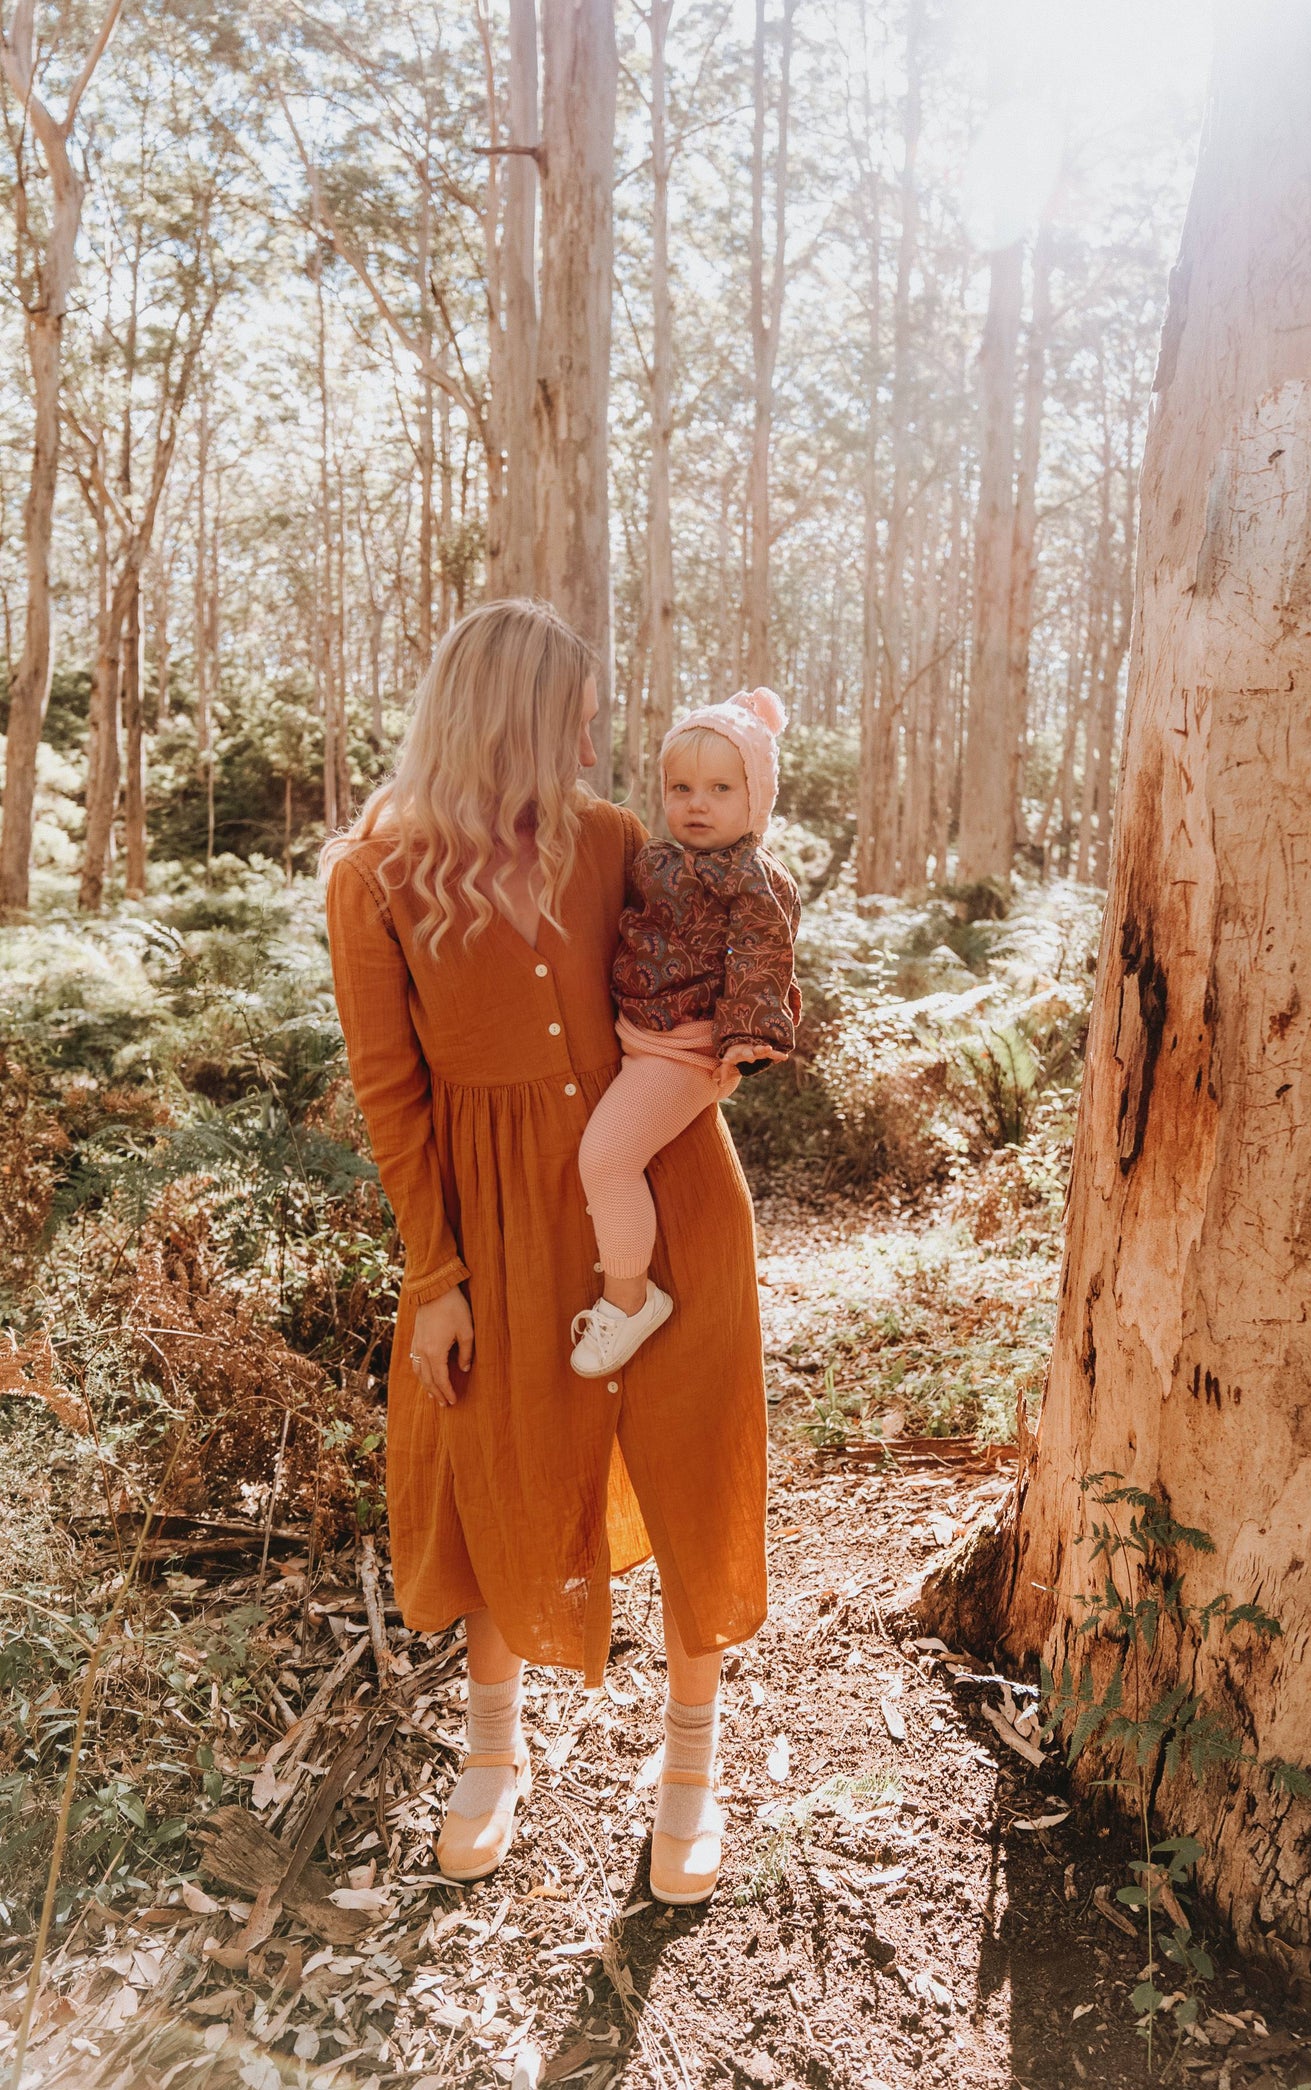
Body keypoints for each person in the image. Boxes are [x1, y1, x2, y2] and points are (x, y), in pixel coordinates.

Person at [321, 599, 768, 1906]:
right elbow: (390, 1099)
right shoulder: (374, 877)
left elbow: (725, 926)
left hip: (667, 1196)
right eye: (573, 710)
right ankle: (491, 1746)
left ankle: (692, 1764)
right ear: (513, 715)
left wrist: (740, 1028)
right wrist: (435, 1276)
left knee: (687, 1456)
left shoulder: (622, 842)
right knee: (502, 1459)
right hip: (501, 1226)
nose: (592, 733)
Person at [569, 690, 801, 1379]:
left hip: (689, 1048)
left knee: (607, 1159)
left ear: (755, 797)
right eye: (682, 787)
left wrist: (748, 1036)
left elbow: (763, 957)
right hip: (639, 1028)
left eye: (721, 789)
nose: (697, 803)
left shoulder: (754, 878)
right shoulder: (657, 855)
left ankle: (629, 1301)